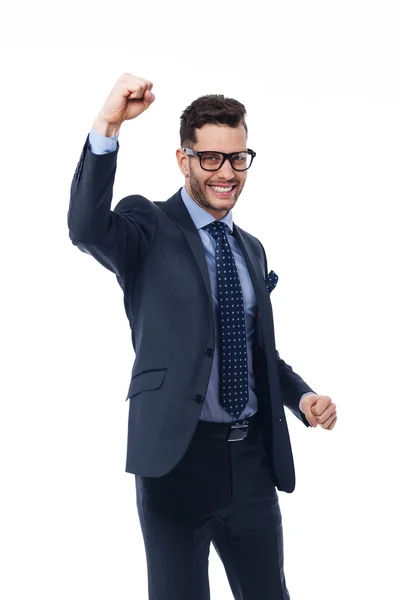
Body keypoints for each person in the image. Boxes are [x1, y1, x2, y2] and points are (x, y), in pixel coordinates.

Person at [68, 72, 337, 600]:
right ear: (183, 159)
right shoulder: (146, 225)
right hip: (176, 463)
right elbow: (85, 228)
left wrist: (301, 396)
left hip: (252, 465)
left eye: (238, 157)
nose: (227, 171)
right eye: (210, 157)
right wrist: (107, 126)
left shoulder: (251, 249)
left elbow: (259, 353)